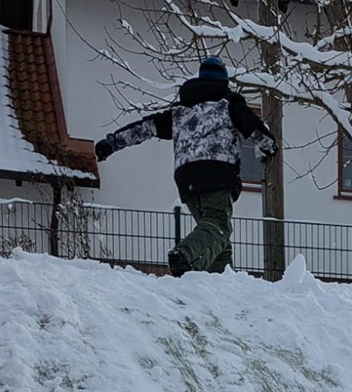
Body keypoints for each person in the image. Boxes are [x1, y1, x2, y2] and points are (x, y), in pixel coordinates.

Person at [94, 57, 278, 279]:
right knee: (219, 227)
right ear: (224, 81)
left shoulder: (180, 112)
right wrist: (269, 146)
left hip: (187, 179)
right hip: (218, 173)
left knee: (215, 237)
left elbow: (146, 127)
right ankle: (184, 256)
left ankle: (221, 284)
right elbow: (252, 126)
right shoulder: (229, 104)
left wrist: (112, 142)